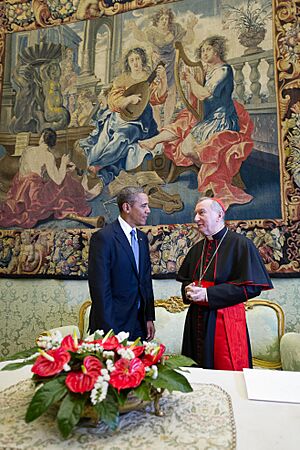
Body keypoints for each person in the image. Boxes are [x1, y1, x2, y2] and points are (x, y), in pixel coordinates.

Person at [140, 35, 254, 209]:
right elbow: (199, 96)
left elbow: (204, 95)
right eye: (202, 50)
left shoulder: (224, 70)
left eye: (208, 49)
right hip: (209, 119)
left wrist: (192, 81)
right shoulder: (209, 71)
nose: (204, 53)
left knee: (190, 143)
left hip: (222, 120)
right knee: (186, 146)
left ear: (217, 50)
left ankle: (214, 178)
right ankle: (210, 174)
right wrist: (191, 81)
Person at [177, 197, 273, 370]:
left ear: (219, 214)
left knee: (226, 371)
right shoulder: (196, 248)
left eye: (201, 213)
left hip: (225, 319)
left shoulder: (241, 244)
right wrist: (188, 290)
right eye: (195, 214)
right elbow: (185, 282)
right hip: (195, 321)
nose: (196, 219)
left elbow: (252, 287)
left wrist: (208, 294)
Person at [78, 47, 167, 184]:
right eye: (132, 60)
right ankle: (95, 171)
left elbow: (158, 98)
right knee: (103, 138)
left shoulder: (149, 79)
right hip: (119, 117)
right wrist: (129, 99)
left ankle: (98, 165)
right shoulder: (122, 79)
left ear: (142, 60)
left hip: (141, 121)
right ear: (128, 63)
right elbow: (113, 101)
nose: (135, 63)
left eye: (137, 59)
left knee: (122, 136)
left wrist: (163, 79)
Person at [88, 186, 155, 341]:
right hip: (113, 324)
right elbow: (100, 288)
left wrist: (148, 317)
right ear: (127, 207)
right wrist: (110, 331)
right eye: (144, 206)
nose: (148, 210)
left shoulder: (142, 238)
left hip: (139, 324)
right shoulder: (104, 238)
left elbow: (145, 281)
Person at [0, 128, 95, 228]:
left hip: (22, 192)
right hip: (35, 198)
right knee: (66, 179)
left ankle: (85, 193)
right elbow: (58, 181)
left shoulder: (28, 151)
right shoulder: (48, 156)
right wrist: (63, 164)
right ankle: (84, 195)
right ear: (53, 143)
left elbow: (23, 173)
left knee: (50, 182)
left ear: (41, 138)